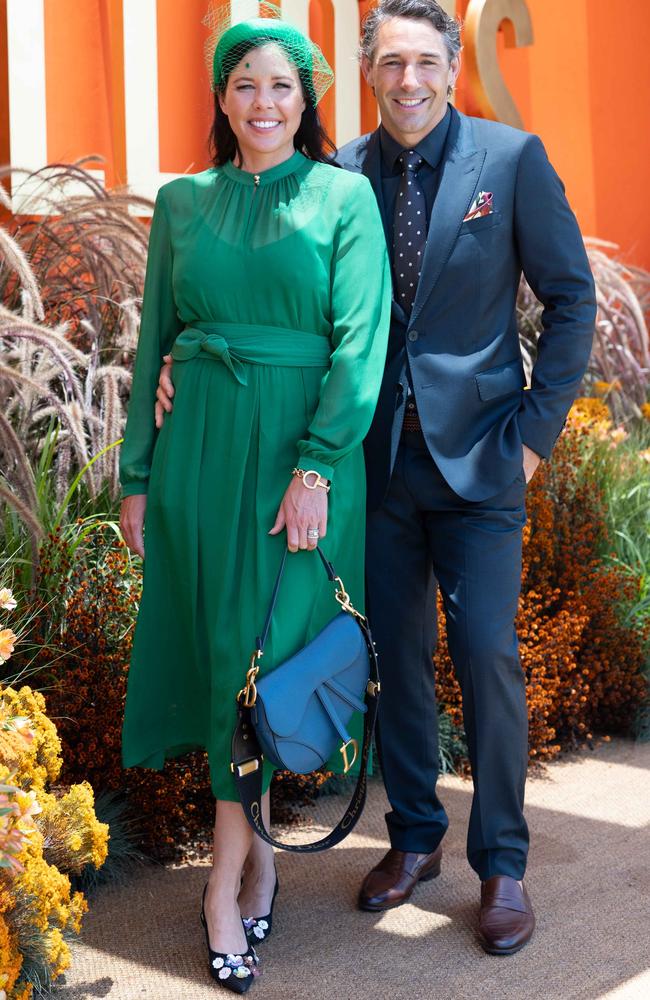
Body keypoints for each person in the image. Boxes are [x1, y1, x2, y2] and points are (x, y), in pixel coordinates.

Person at [154, 0, 596, 959]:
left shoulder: (511, 161)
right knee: (389, 661)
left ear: (449, 67)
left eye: (425, 62)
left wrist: (533, 436)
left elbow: (571, 300)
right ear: (367, 72)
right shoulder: (338, 174)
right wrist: (179, 371)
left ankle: (505, 866)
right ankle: (413, 841)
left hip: (482, 461)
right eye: (390, 63)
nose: (408, 81)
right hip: (371, 468)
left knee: (485, 654)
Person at [119, 9, 390, 992]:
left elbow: (360, 339)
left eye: (280, 86)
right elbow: (154, 339)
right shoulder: (182, 201)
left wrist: (317, 463)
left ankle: (221, 882)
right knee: (217, 661)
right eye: (243, 86)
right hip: (198, 460)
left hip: (300, 467)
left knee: (265, 663)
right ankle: (255, 859)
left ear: (305, 97)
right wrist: (138, 475)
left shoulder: (342, 197)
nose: (262, 103)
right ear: (220, 99)